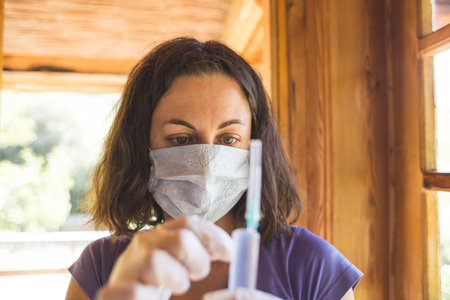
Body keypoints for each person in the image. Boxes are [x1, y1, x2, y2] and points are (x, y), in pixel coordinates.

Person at [65, 37, 362, 300]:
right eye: (181, 139)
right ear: (141, 147)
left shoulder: (311, 265)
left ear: (254, 146)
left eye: (228, 139)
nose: (207, 162)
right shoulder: (104, 267)